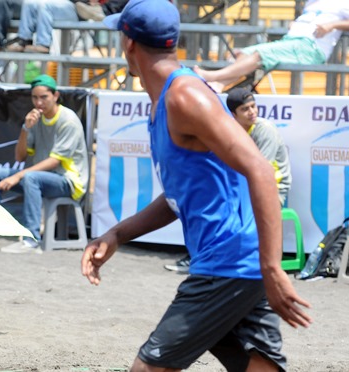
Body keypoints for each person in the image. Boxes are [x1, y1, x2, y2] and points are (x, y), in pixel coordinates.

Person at [83, 1, 312, 371]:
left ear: (129, 44)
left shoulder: (185, 96)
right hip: (235, 260)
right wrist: (118, 234)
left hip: (230, 262)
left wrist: (272, 267)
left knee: (148, 369)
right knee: (259, 366)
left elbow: (261, 170)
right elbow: (178, 196)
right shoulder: (164, 100)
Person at [165, 87, 293, 273]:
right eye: (245, 109)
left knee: (224, 208)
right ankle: (201, 257)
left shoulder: (265, 130)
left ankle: (210, 261)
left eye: (253, 106)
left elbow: (260, 174)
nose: (252, 112)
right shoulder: (230, 130)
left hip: (273, 190)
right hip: (243, 188)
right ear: (233, 114)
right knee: (206, 202)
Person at [0, 74, 89, 253]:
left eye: (44, 97)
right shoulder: (35, 119)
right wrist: (25, 128)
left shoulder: (68, 120)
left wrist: (19, 175)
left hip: (69, 181)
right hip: (42, 178)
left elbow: (54, 161)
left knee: (30, 178)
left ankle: (31, 240)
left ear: (56, 96)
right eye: (35, 97)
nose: (39, 102)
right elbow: (20, 157)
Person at [194, 0, 349, 91]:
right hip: (292, 41)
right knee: (241, 54)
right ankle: (219, 84)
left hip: (310, 47)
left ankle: (212, 76)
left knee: (258, 55)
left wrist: (332, 25)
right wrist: (297, 23)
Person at [6, 0, 79, 53]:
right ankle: (24, 41)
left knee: (44, 4)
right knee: (28, 3)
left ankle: (44, 44)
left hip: (77, 8)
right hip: (58, 4)